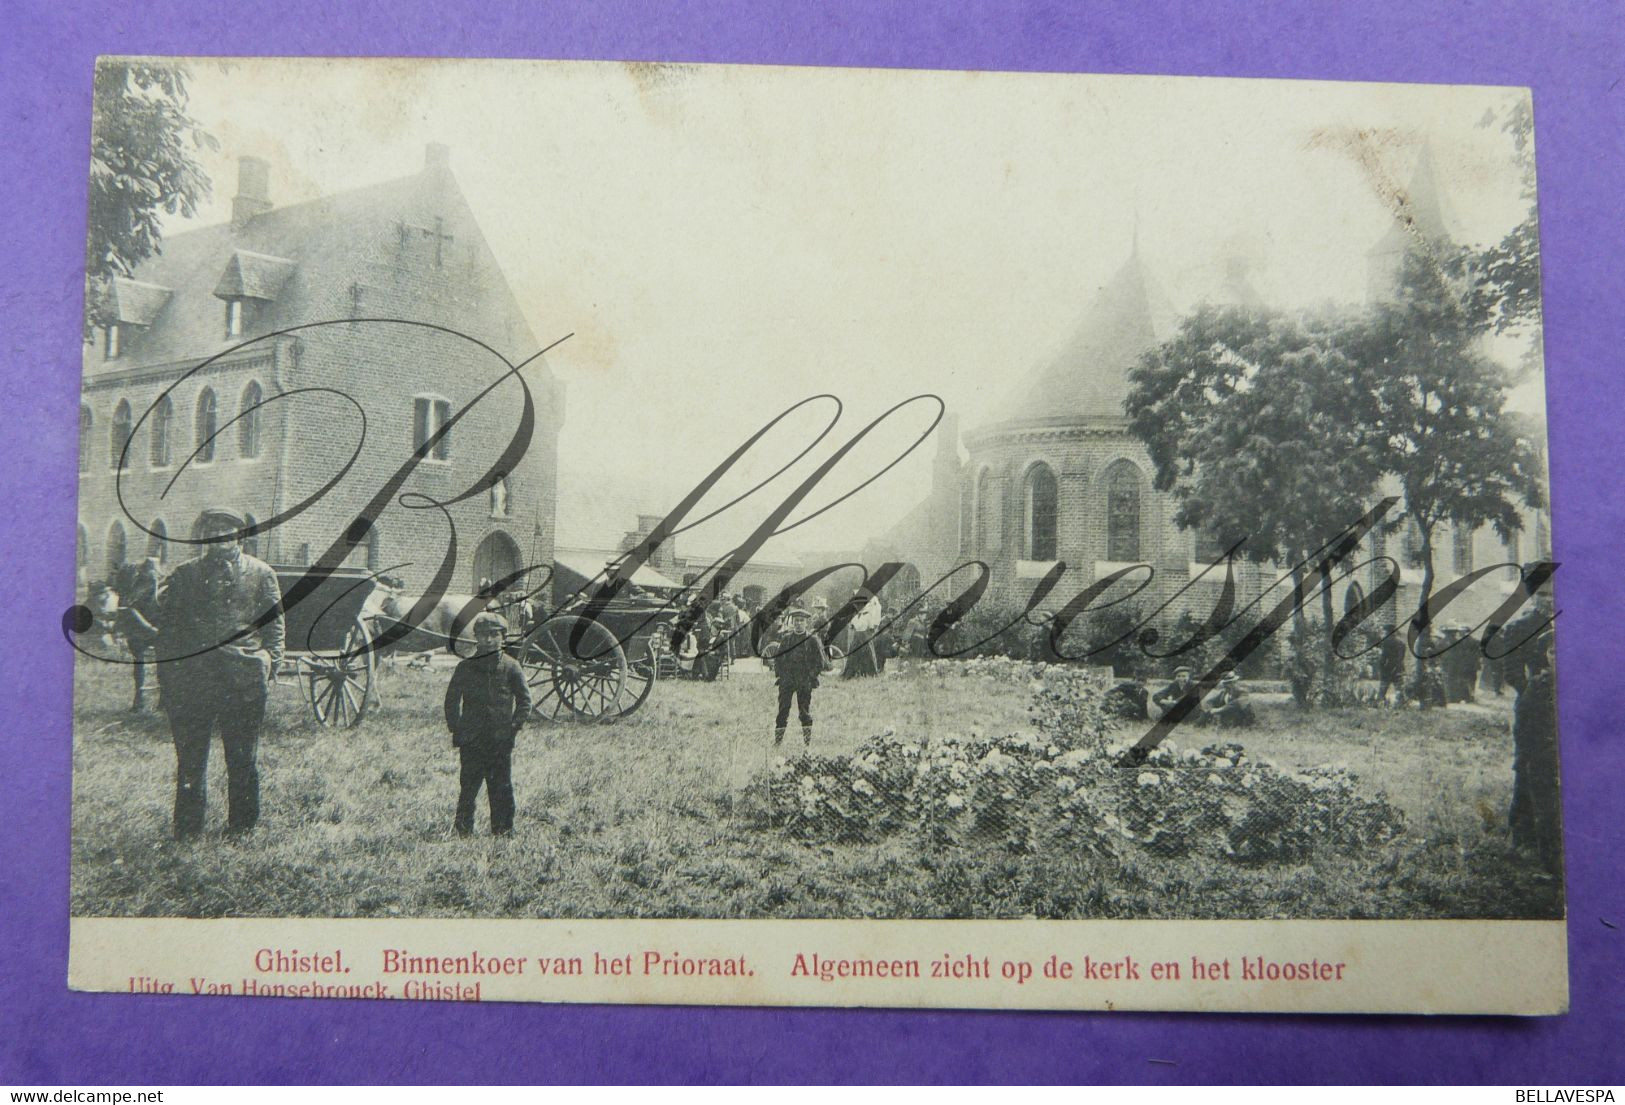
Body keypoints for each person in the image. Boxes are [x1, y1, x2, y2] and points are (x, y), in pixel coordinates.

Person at [155, 508, 284, 840]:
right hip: (193, 681)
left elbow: (274, 625)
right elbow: (167, 632)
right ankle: (187, 829)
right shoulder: (184, 576)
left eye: (228, 534)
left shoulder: (261, 573)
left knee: (242, 758)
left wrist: (270, 662)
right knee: (191, 760)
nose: (221, 540)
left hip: (243, 680)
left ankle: (242, 827)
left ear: (239, 537)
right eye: (213, 535)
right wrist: (168, 679)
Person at [444, 612, 532, 836]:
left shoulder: (511, 667)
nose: (489, 640)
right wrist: (457, 728)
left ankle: (503, 830)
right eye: (484, 635)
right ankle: (463, 830)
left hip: (499, 740)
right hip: (471, 739)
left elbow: (525, 701)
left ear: (503, 637)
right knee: (469, 786)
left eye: (494, 635)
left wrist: (513, 728)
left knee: (501, 786)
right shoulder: (465, 667)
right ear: (476, 638)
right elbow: (451, 701)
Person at [1503, 591, 1560, 874]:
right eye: (1542, 594)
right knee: (1528, 768)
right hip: (1536, 702)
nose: (1548, 599)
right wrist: (1526, 687)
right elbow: (1508, 663)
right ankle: (1523, 833)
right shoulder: (1524, 626)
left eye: (1552, 592)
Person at [764, 606, 831, 748]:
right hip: (787, 680)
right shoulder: (787, 638)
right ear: (792, 622)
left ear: (806, 623)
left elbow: (820, 662)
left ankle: (807, 743)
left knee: (804, 713)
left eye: (801, 621)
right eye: (796, 621)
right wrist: (781, 675)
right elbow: (778, 658)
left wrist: (810, 676)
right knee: (782, 711)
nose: (798, 623)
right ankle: (778, 742)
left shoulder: (812, 639)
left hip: (804, 681)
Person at [1376, 625, 1406, 706]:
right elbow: (1401, 657)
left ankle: (1379, 703)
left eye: (1384, 632)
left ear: (1387, 632)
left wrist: (1380, 667)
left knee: (1383, 688)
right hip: (1398, 668)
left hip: (1387, 668)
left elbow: (1383, 657)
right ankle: (1401, 704)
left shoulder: (1386, 642)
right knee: (1399, 688)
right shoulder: (1401, 643)